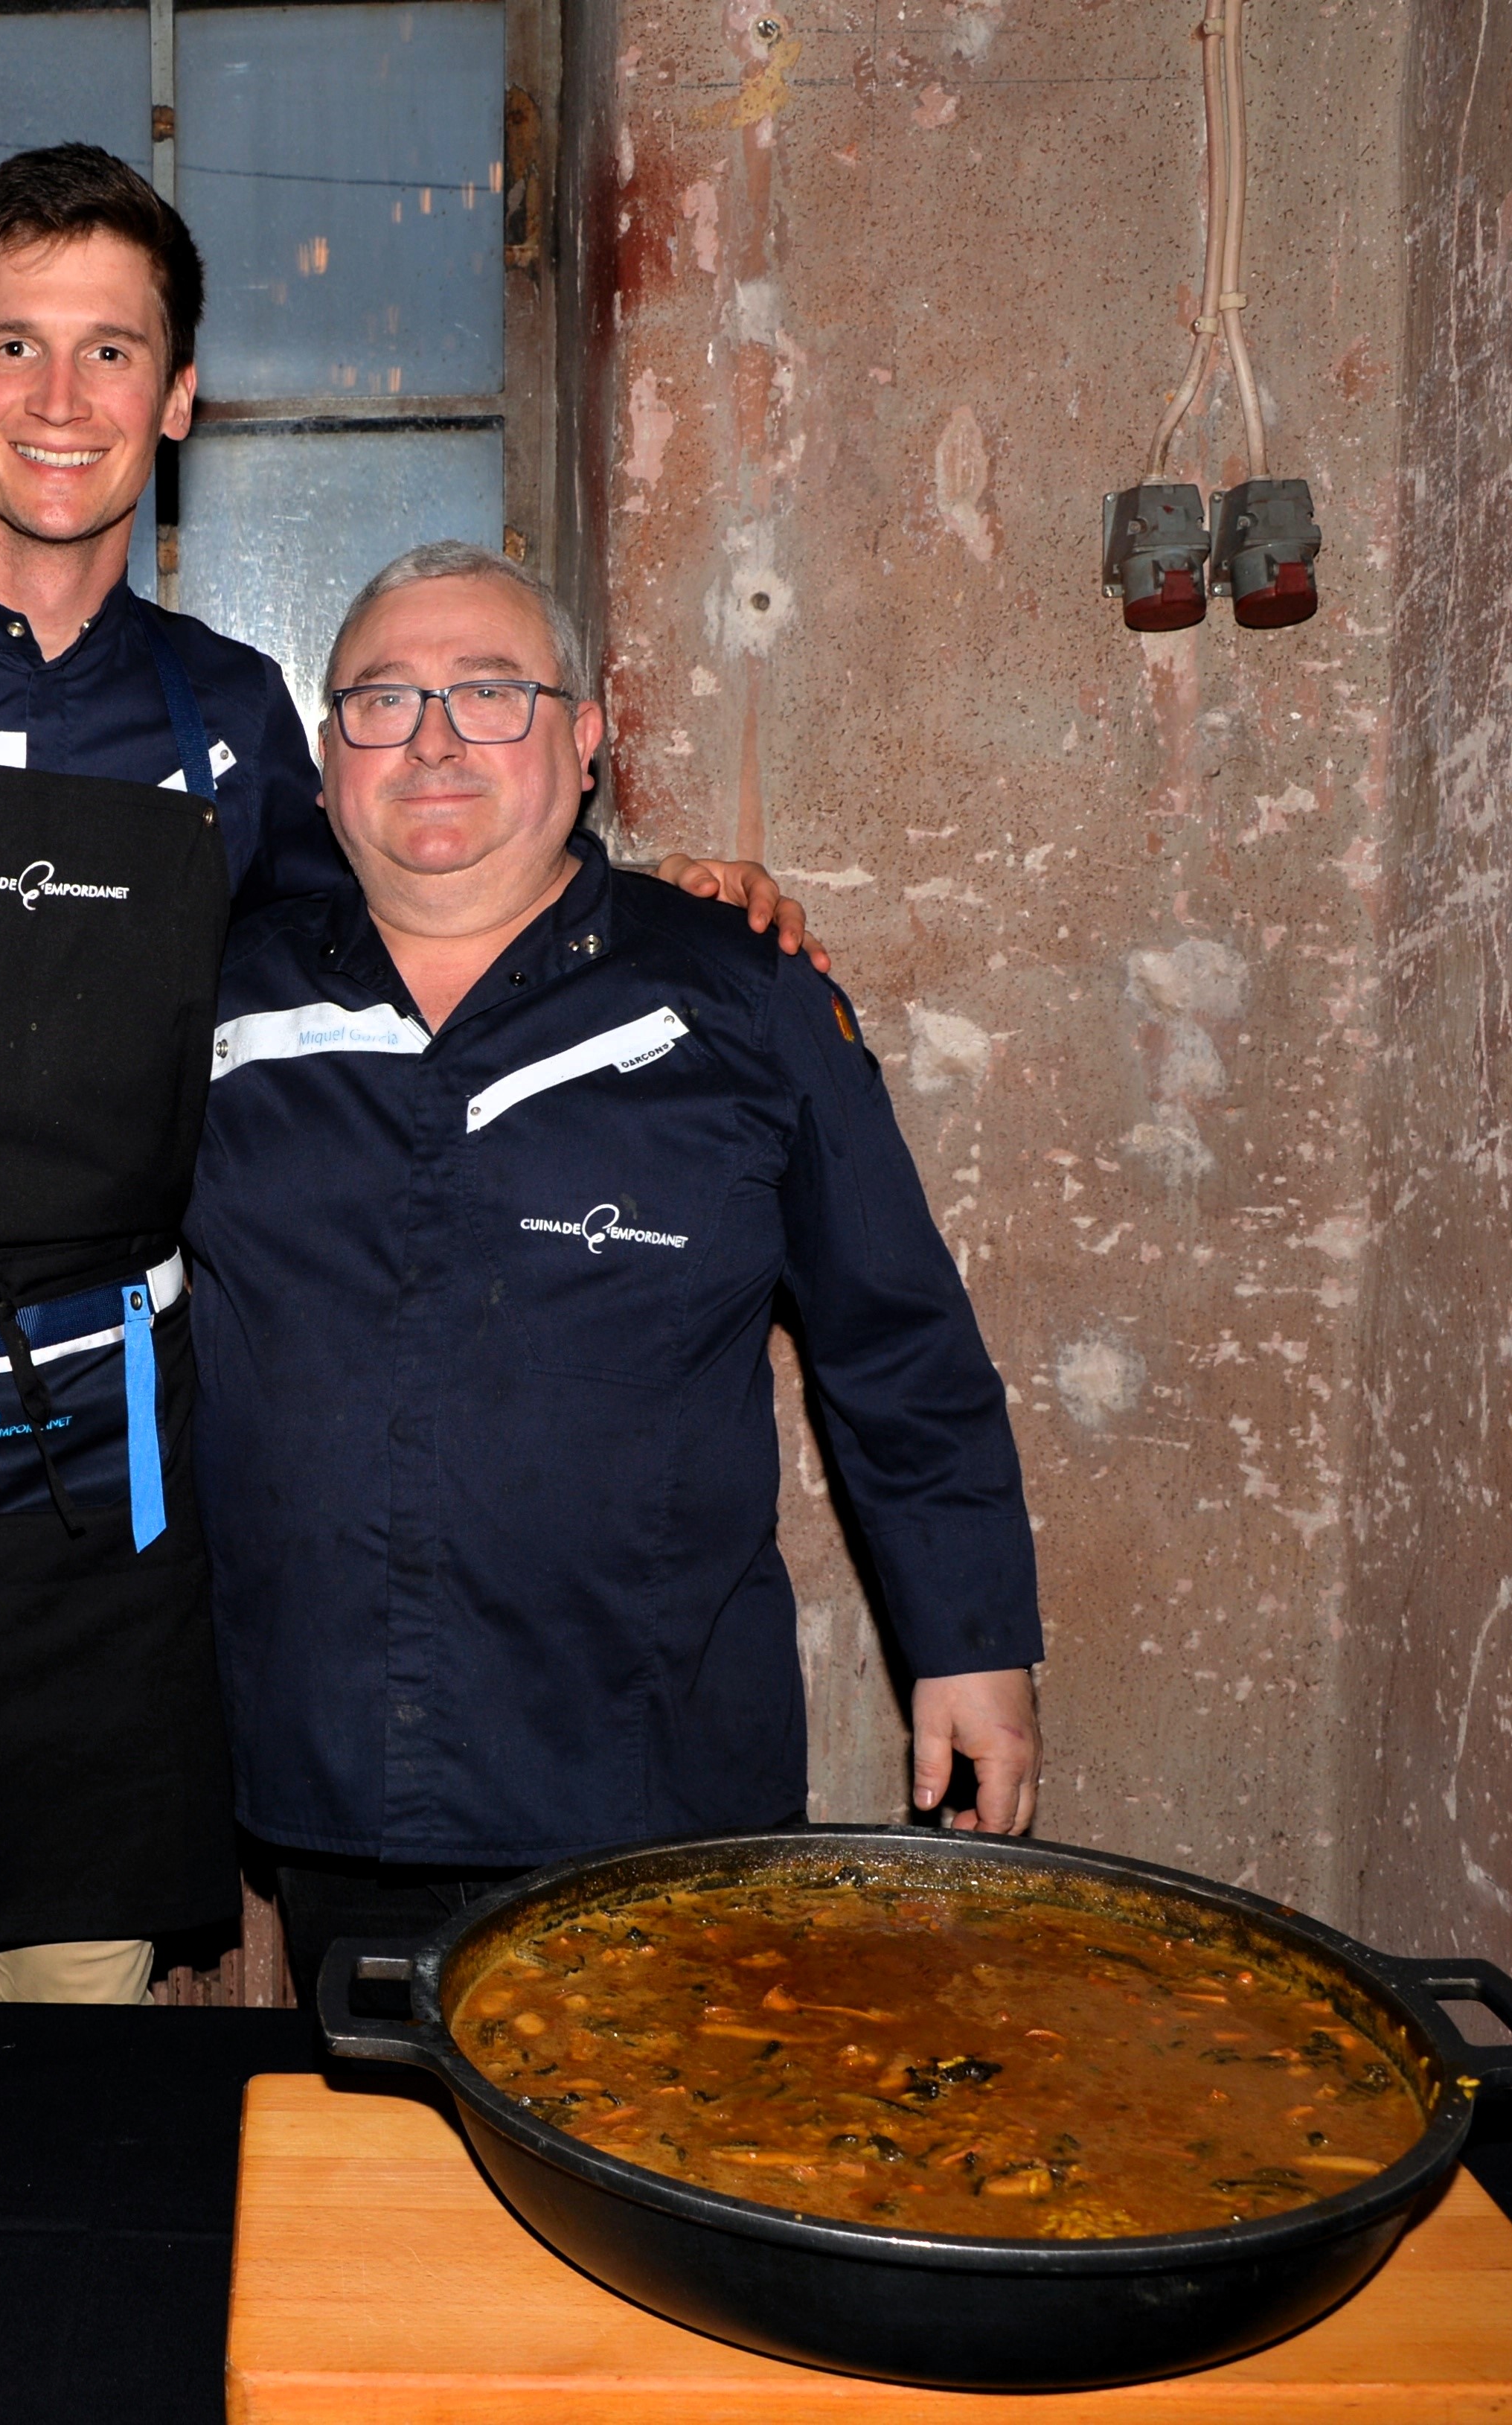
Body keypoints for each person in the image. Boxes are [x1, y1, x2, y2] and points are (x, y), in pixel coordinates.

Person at [0, 147, 801, 2007]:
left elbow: (387, 940)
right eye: (13, 346)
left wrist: (643, 904)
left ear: (178, 395)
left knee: (81, 2002)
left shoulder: (225, 718)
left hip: (110, 1440)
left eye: (111, 351)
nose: (60, 399)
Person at [186, 541, 1044, 1993]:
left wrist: (969, 1643)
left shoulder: (742, 996)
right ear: (328, 761)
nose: (433, 741)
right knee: (382, 2139)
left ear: (583, 739)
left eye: (490, 694)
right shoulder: (218, 1001)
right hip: (337, 1765)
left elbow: (892, 1340)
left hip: (657, 1776)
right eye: (382, 702)